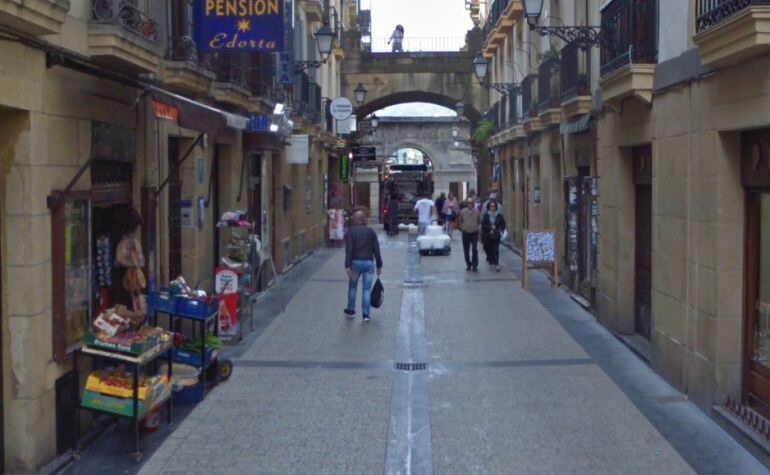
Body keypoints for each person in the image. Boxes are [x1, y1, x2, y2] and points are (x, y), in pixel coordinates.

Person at [344, 211, 383, 322]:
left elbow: (349, 249)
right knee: (366, 289)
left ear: (354, 220)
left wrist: (347, 265)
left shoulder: (350, 232)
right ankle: (366, 314)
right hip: (369, 263)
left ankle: (351, 310)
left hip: (355, 263)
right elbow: (376, 249)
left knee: (352, 287)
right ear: (363, 219)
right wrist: (379, 265)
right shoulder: (370, 232)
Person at [481, 200, 506, 272]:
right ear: (489, 207)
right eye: (491, 206)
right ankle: (491, 262)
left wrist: (500, 229)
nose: (493, 207)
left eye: (494, 206)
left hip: (496, 235)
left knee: (496, 249)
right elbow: (483, 225)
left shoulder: (499, 215)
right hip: (488, 235)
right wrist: (489, 227)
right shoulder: (486, 215)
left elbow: (503, 224)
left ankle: (496, 264)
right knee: (489, 249)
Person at [459, 196, 481, 272]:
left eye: (471, 203)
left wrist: (477, 228)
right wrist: (462, 227)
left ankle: (475, 265)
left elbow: (479, 221)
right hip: (465, 233)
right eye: (468, 203)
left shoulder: (477, 212)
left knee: (474, 249)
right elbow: (460, 220)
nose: (470, 204)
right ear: (467, 204)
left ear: (473, 204)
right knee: (466, 249)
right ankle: (468, 264)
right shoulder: (462, 211)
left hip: (474, 233)